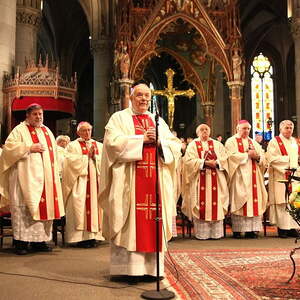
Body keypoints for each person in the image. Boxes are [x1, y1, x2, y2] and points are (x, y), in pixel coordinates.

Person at [99, 83, 181, 282]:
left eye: (147, 96)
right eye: (139, 95)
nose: (143, 99)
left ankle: (153, 270)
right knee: (129, 222)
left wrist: (160, 142)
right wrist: (141, 139)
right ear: (131, 97)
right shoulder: (118, 118)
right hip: (129, 181)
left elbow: (175, 146)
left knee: (153, 223)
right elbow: (112, 144)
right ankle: (129, 270)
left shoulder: (158, 120)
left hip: (155, 182)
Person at [0, 104, 65, 254]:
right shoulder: (19, 130)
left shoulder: (47, 131)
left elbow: (54, 154)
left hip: (46, 180)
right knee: (24, 210)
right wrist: (28, 147)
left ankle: (40, 242)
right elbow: (8, 149)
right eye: (35, 114)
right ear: (28, 116)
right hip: (24, 180)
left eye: (40, 114)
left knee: (43, 209)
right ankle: (21, 243)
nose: (38, 117)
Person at [182, 124, 229, 240]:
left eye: (206, 130)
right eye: (202, 130)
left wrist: (217, 162)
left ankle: (216, 234)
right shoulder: (193, 145)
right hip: (199, 178)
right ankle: (202, 234)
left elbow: (225, 158)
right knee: (200, 203)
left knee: (216, 203)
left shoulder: (217, 144)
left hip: (216, 178)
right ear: (197, 132)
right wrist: (204, 163)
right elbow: (188, 161)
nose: (204, 132)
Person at [62, 122, 104, 248]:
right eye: (84, 130)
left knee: (97, 208)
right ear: (78, 132)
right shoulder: (72, 146)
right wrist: (86, 157)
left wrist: (96, 157)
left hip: (95, 183)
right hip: (80, 183)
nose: (87, 133)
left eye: (89, 130)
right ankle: (81, 238)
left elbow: (105, 162)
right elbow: (68, 162)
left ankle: (94, 236)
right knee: (79, 208)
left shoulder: (99, 146)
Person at [225, 120, 267, 238]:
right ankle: (237, 230)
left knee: (253, 202)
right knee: (239, 201)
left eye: (248, 129)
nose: (246, 131)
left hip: (254, 177)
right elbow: (230, 156)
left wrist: (257, 157)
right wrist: (247, 155)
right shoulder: (231, 141)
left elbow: (263, 158)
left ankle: (251, 230)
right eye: (244, 128)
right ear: (237, 128)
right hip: (239, 176)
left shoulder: (253, 142)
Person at [266, 120, 299, 238]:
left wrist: (296, 164)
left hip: (294, 177)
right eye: (287, 128)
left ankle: (292, 227)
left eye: (291, 128)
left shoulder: (295, 142)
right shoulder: (275, 141)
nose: (289, 130)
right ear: (280, 129)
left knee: (293, 201)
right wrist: (289, 161)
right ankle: (282, 228)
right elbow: (272, 158)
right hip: (281, 175)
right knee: (282, 202)